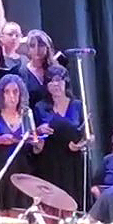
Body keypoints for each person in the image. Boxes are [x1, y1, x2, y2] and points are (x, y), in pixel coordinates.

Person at [0, 75, 44, 210]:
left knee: (20, 214)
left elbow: (33, 148)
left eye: (16, 92)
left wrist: (38, 146)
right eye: (7, 92)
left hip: (23, 174)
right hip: (0, 171)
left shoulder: (27, 115)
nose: (12, 96)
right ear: (1, 94)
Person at [34, 65, 86, 208]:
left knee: (73, 201)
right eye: (50, 81)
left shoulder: (78, 105)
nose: (55, 84)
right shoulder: (40, 107)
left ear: (66, 81)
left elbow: (90, 136)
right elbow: (34, 137)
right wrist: (39, 131)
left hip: (72, 159)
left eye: (58, 80)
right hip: (49, 159)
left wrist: (79, 146)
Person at [19, 29, 58, 108]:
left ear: (47, 47)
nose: (37, 49)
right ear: (28, 49)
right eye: (32, 46)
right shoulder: (22, 72)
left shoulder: (57, 71)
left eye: (41, 45)